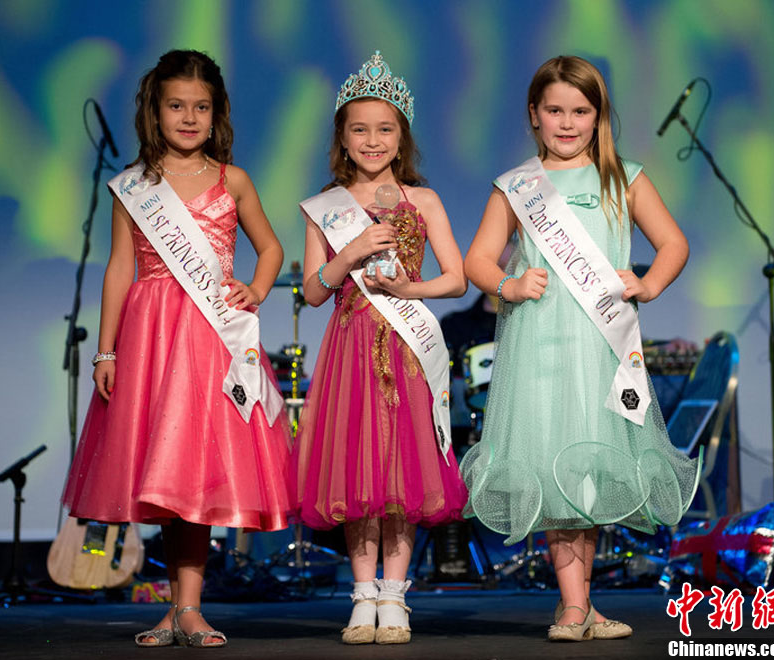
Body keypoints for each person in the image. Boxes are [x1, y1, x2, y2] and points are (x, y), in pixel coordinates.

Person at [460, 55, 700, 642]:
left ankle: (580, 606)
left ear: (598, 116)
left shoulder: (625, 178)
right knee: (553, 468)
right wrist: (509, 285)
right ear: (534, 115)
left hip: (602, 347)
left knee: (587, 472)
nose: (567, 123)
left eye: (581, 111)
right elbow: (476, 261)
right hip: (540, 345)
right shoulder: (516, 186)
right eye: (555, 111)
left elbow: (673, 243)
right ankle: (574, 608)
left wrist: (648, 283)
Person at [61, 49, 291, 648]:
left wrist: (256, 290)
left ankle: (189, 607)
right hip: (151, 336)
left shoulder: (232, 179)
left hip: (213, 336)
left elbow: (269, 248)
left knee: (198, 470)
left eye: (201, 107)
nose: (188, 117)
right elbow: (118, 270)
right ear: (154, 111)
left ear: (216, 115)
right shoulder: (133, 187)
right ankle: (177, 608)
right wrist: (105, 352)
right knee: (162, 472)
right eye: (176, 106)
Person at [291, 51, 468, 645]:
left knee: (402, 473)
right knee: (358, 475)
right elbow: (314, 292)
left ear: (402, 135)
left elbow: (457, 279)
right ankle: (361, 595)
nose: (373, 140)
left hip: (408, 347)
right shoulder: (325, 207)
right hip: (350, 346)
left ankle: (396, 598)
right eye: (360, 129)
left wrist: (406, 287)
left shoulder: (426, 202)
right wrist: (350, 252)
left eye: (385, 128)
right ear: (342, 136)